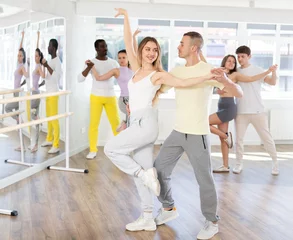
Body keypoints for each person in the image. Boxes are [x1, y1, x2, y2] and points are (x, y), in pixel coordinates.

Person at [104, 8, 228, 233]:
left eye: (155, 50)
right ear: (141, 51)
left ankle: (145, 175)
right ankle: (148, 216)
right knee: (147, 176)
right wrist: (126, 18)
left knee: (112, 149)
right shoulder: (135, 68)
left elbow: (184, 83)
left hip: (146, 124)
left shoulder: (157, 75)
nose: (151, 53)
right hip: (136, 121)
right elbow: (127, 41)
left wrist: (208, 76)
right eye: (148, 49)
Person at [153, 32, 243, 239]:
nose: (178, 46)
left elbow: (239, 93)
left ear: (194, 48)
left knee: (204, 180)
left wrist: (226, 80)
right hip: (177, 132)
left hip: (198, 134)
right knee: (158, 169)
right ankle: (168, 209)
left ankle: (212, 221)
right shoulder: (177, 70)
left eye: (181, 43)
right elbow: (159, 89)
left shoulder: (209, 71)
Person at [200, 54, 276, 173]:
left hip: (229, 108)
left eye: (233, 62)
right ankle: (225, 166)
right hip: (221, 105)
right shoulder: (218, 72)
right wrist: (199, 53)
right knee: (222, 139)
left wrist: (268, 71)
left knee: (202, 122)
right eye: (229, 61)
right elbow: (206, 66)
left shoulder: (235, 75)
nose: (231, 63)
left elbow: (251, 78)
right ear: (224, 61)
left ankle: (226, 136)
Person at [233, 46, 279, 175]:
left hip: (258, 111)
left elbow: (272, 82)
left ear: (249, 56)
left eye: (243, 56)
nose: (240, 59)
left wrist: (273, 72)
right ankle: (238, 164)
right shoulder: (236, 72)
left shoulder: (257, 70)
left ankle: (275, 163)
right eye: (238, 56)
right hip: (241, 112)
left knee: (267, 138)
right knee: (239, 140)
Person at [78, 39, 120, 159]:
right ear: (96, 49)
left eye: (106, 46)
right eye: (102, 47)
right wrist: (88, 67)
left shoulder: (113, 63)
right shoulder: (91, 62)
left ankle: (120, 149)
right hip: (96, 97)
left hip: (110, 96)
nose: (105, 49)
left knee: (116, 124)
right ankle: (93, 149)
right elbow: (79, 79)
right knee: (94, 125)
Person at [41, 39, 62, 154]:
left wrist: (47, 65)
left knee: (54, 119)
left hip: (54, 93)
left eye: (49, 46)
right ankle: (49, 139)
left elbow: (57, 78)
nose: (48, 48)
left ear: (53, 48)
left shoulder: (57, 61)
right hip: (48, 92)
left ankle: (56, 144)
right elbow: (48, 78)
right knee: (49, 118)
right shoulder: (50, 60)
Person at [28, 31, 46, 153]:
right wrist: (38, 37)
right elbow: (37, 48)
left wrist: (44, 65)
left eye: (37, 56)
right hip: (35, 93)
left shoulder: (39, 66)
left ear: (40, 57)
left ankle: (38, 119)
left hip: (35, 94)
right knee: (34, 119)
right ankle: (35, 145)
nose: (35, 57)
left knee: (33, 117)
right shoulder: (35, 66)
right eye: (34, 55)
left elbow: (44, 76)